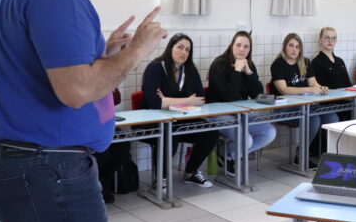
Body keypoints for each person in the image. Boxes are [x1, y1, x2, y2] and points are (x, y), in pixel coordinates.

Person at [0, 0, 166, 222]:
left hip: (20, 161)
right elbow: (77, 91)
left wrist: (103, 54)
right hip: (47, 168)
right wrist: (137, 51)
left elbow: (32, 68)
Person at [141, 33, 218, 188]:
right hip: (151, 120)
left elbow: (201, 99)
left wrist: (168, 101)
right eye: (180, 47)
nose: (184, 52)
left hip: (180, 119)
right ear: (171, 47)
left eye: (188, 50)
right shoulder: (156, 67)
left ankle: (190, 173)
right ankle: (160, 179)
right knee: (169, 135)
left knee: (211, 132)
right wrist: (187, 100)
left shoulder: (189, 69)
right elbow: (154, 102)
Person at [207, 31, 276, 175]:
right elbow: (228, 96)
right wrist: (237, 70)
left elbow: (257, 94)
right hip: (220, 113)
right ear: (232, 45)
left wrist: (249, 72)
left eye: (246, 46)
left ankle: (228, 155)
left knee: (269, 132)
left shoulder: (247, 64)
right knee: (247, 140)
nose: (242, 49)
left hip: (242, 112)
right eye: (238, 45)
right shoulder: (219, 64)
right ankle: (230, 154)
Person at [271, 33, 338, 162]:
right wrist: (310, 89)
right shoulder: (278, 65)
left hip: (307, 106)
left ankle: (327, 153)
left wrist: (320, 88)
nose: (294, 49)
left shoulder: (305, 62)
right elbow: (284, 90)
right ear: (285, 47)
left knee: (332, 116)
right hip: (284, 109)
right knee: (313, 120)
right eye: (291, 46)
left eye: (297, 46)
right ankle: (301, 154)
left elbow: (313, 82)